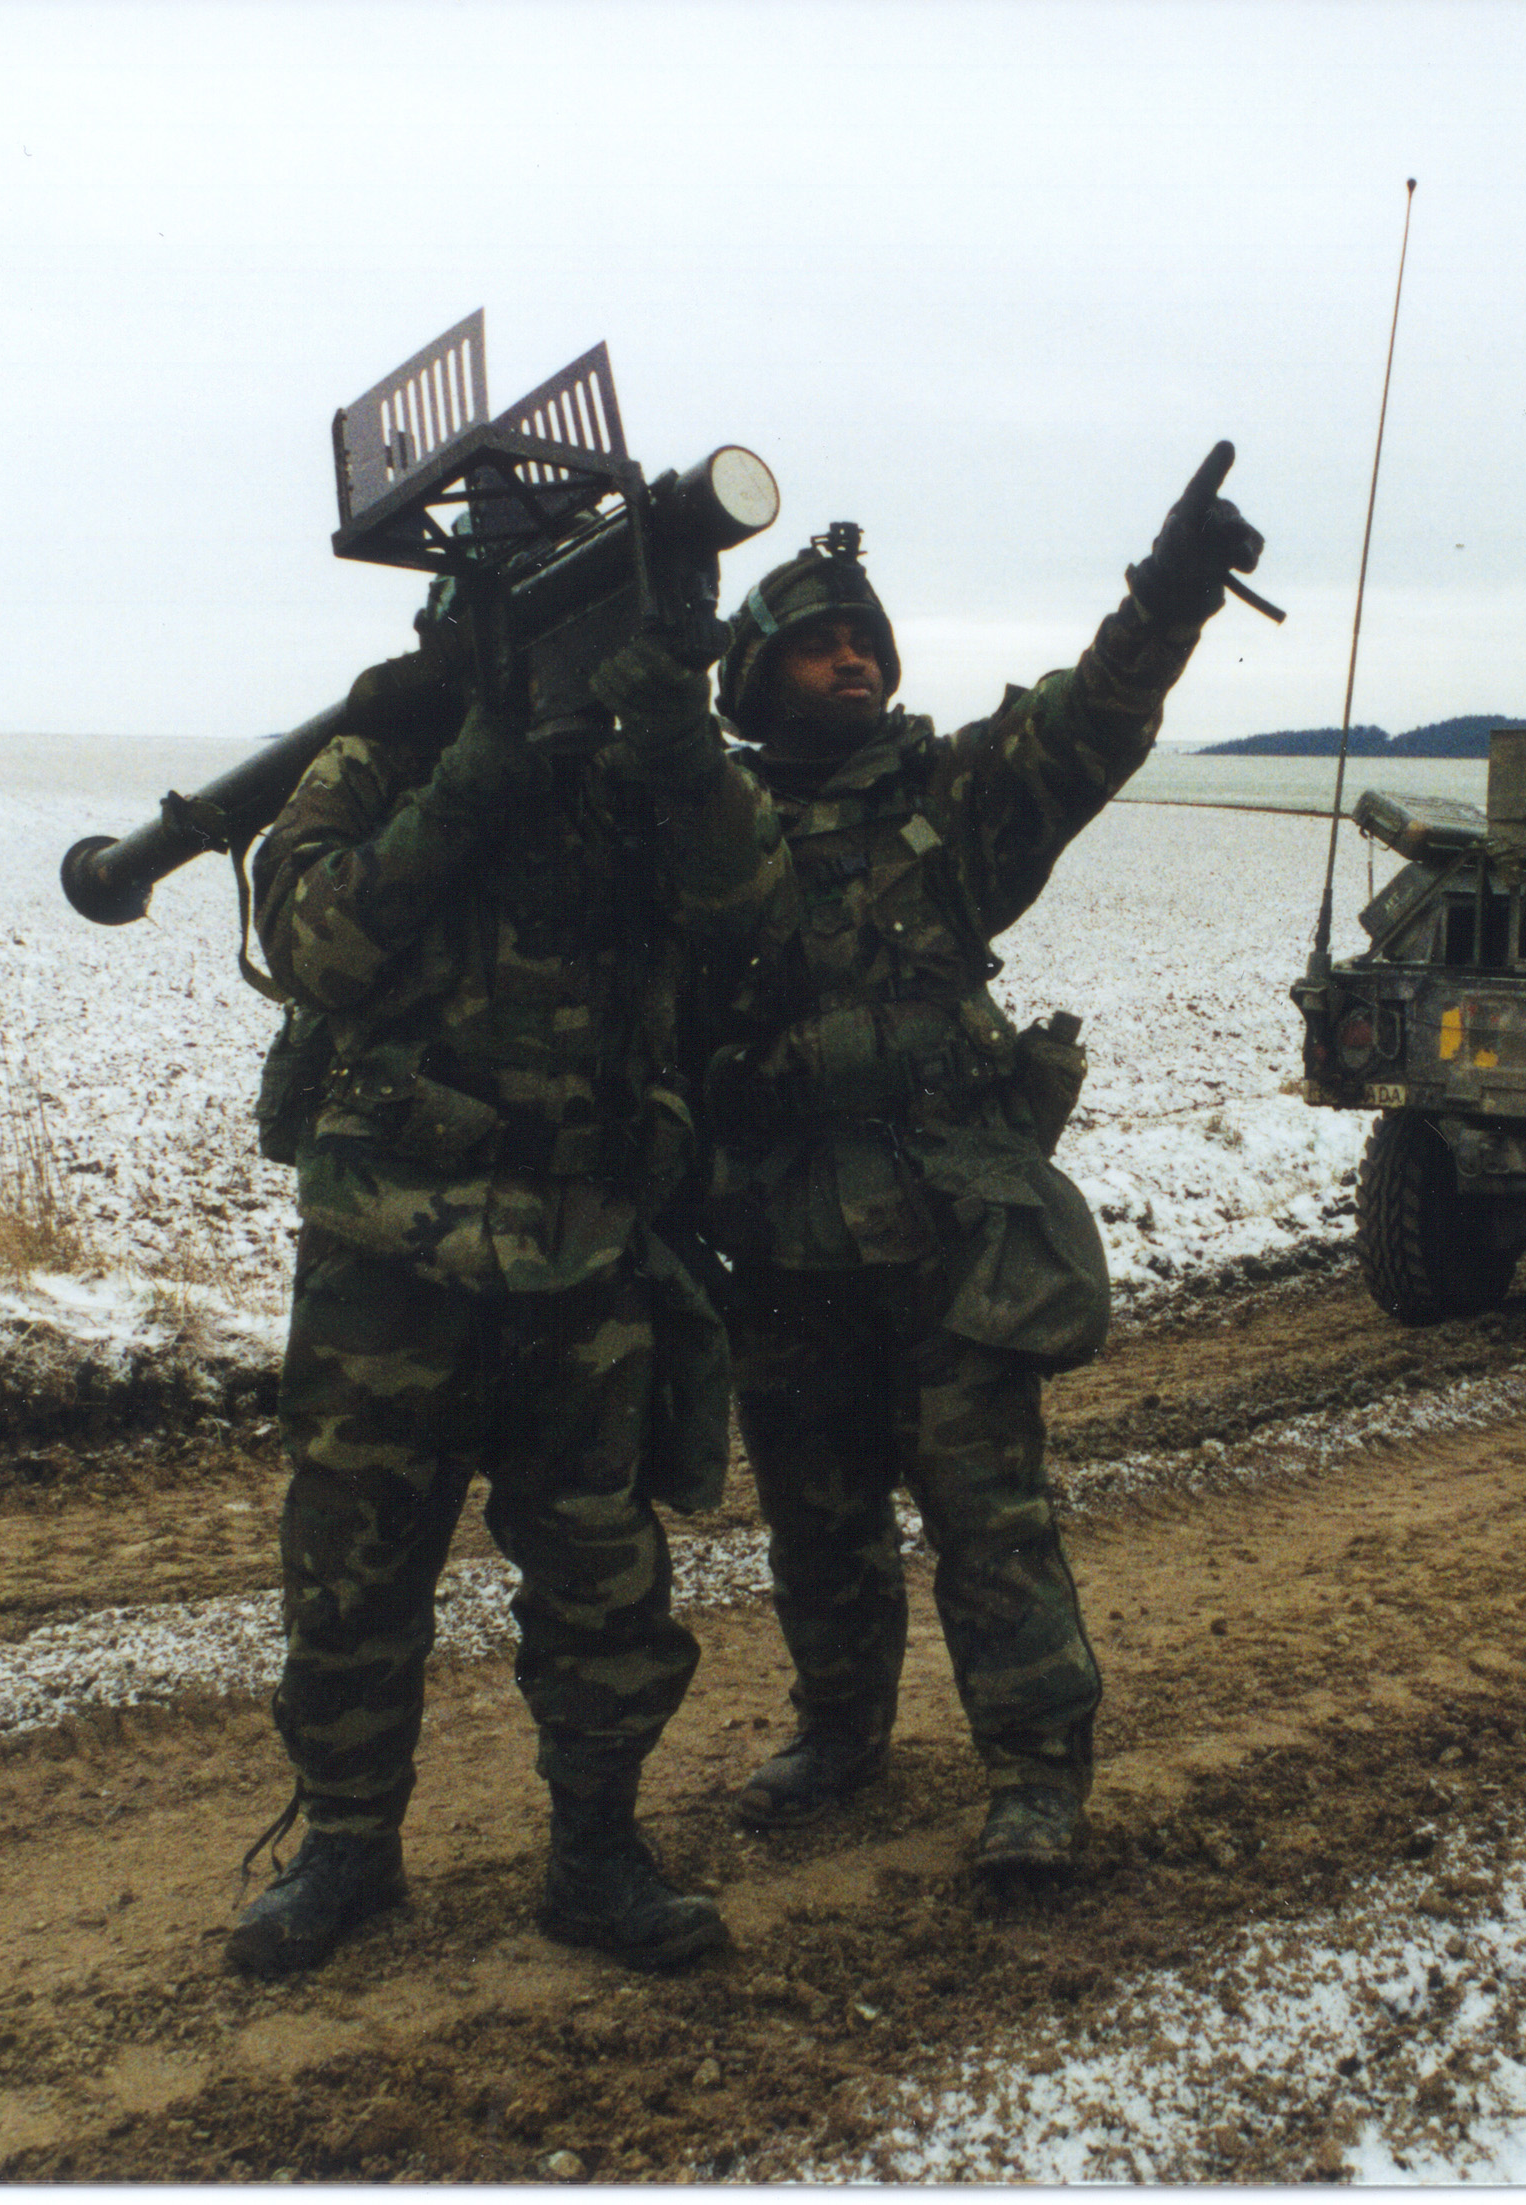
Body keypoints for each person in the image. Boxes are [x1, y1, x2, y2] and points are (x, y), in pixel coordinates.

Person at [692, 446, 1264, 1875]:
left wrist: (1168, 596)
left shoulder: (949, 801)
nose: (851, 660)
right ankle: (840, 1731)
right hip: (782, 1243)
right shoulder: (710, 833)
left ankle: (1034, 1770)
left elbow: (1090, 720)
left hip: (949, 1237)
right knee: (817, 1523)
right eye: (817, 644)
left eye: (865, 640)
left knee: (989, 1516)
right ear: (754, 678)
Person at [224, 604, 784, 1979]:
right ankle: (348, 1848)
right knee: (351, 1568)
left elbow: (754, 917)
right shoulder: (378, 761)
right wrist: (470, 773)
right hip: (386, 1247)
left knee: (601, 1571)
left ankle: (597, 1853)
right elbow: (316, 947)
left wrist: (677, 735)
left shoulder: (639, 771)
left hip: (585, 1242)